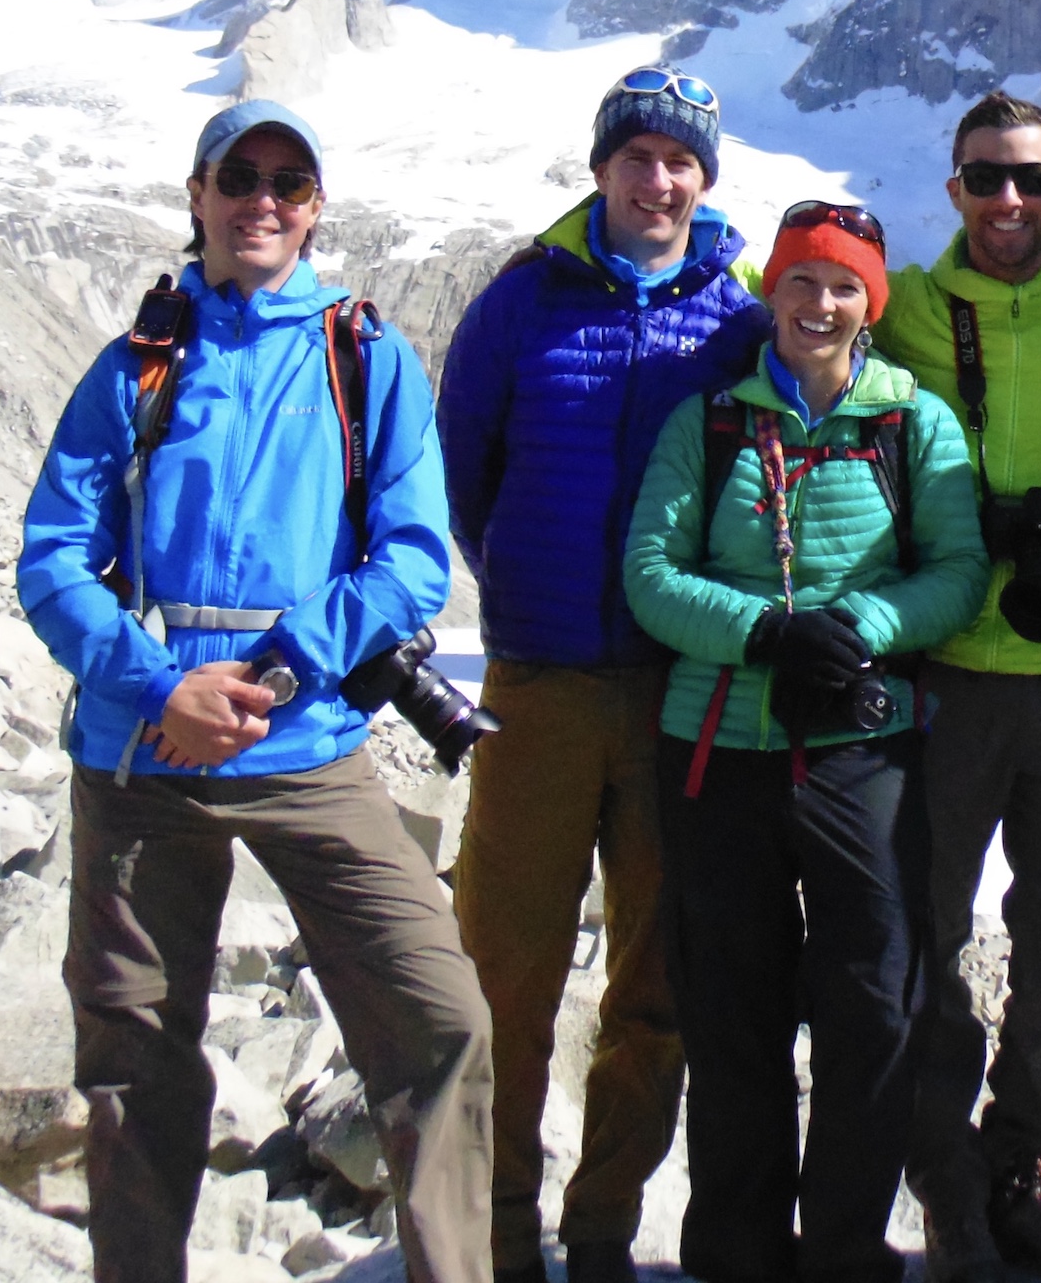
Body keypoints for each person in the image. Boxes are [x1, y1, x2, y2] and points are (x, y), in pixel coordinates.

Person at [18, 99, 493, 1283]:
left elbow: (414, 554)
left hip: (306, 743)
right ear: (199, 196)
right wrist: (158, 683)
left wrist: (283, 669)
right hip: (144, 751)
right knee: (134, 1058)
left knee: (441, 1022)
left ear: (317, 204)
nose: (263, 198)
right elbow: (53, 557)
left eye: (289, 179)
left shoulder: (363, 353)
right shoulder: (139, 363)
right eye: (241, 175)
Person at [621, 200, 992, 1283]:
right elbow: (651, 574)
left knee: (871, 1005)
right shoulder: (710, 423)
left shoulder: (910, 422)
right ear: (770, 293)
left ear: (869, 303)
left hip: (861, 748)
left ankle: (843, 1253)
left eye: (842, 286)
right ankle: (738, 1254)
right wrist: (767, 629)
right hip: (719, 750)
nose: (819, 304)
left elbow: (958, 570)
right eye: (800, 281)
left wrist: (868, 623)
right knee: (732, 1009)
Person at [437, 68, 767, 1283]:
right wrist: (520, 584)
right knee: (502, 972)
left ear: (704, 180)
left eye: (681, 160)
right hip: (539, 685)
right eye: (637, 154)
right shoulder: (521, 300)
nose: (658, 176)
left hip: (684, 693)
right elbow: (463, 471)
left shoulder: (733, 317)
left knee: (657, 979)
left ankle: (603, 1227)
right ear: (601, 168)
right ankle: (502, 1225)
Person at [875, 93, 1041, 1283]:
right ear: (952, 189)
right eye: (985, 178)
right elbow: (792, 329)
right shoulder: (908, 311)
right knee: (923, 933)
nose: (1008, 201)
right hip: (943, 676)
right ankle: (946, 1181)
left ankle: (1020, 1152)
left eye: (1030, 178)